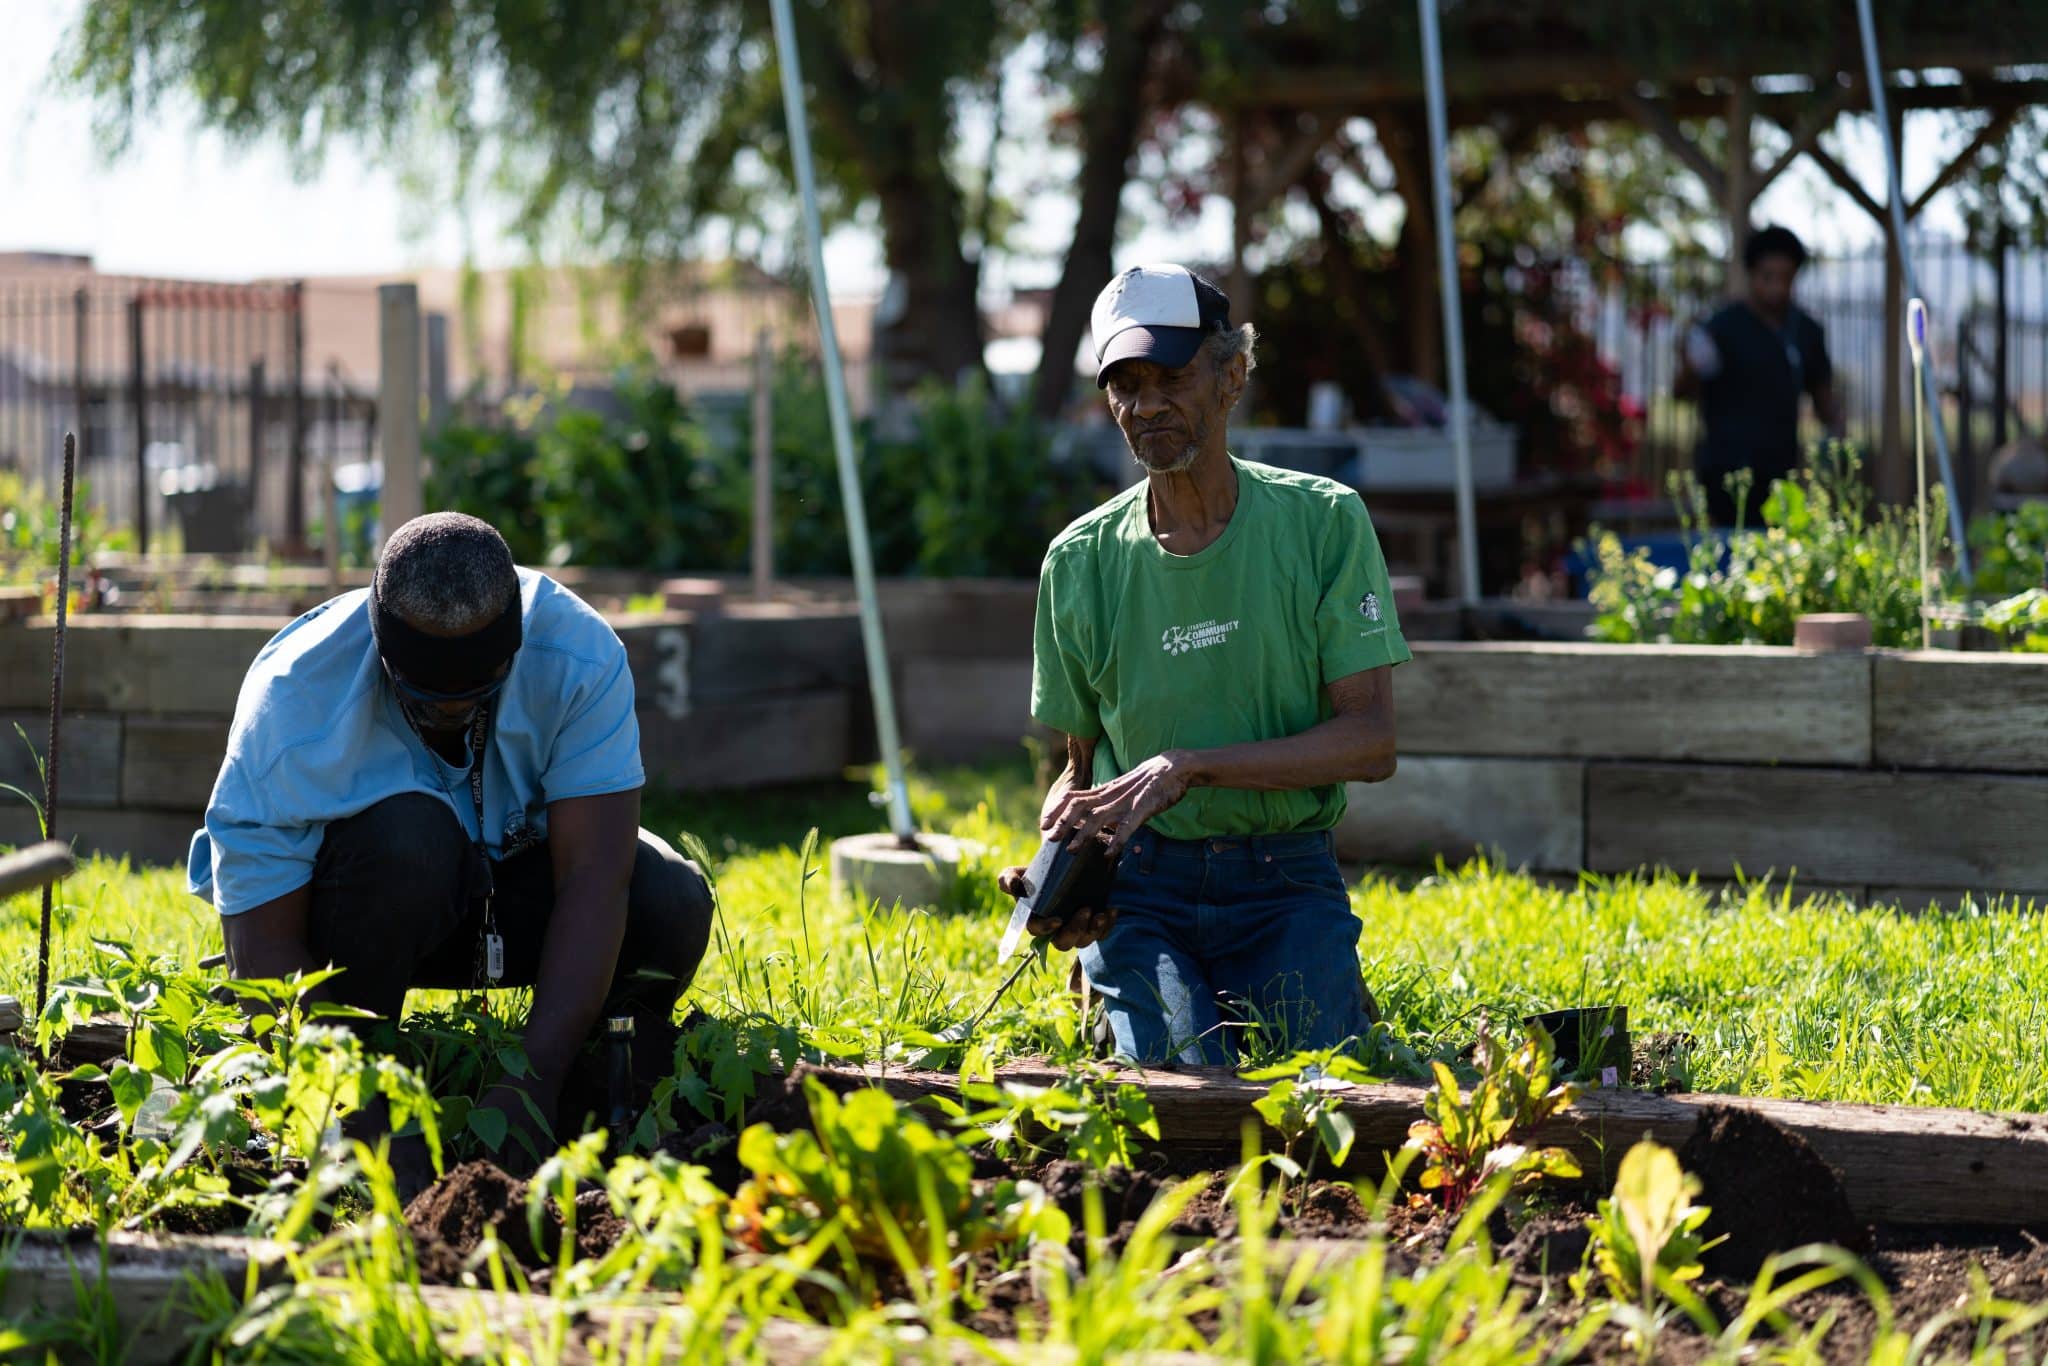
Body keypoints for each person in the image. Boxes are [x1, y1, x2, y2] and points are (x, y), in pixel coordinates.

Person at [189, 512, 713, 1183]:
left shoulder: (578, 657)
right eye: (425, 699)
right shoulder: (293, 699)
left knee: (671, 897)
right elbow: (261, 950)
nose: (451, 715)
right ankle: (370, 1060)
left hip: (516, 902)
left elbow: (594, 878)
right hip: (363, 922)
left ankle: (598, 1089)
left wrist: (536, 1077)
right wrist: (352, 1106)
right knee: (411, 840)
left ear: (512, 644)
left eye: (477, 693)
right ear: (382, 651)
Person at [999, 263, 1408, 1067]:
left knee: (1324, 1081)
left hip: (1285, 880)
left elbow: (1370, 743)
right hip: (1145, 888)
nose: (1146, 405)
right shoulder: (1078, 561)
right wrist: (1062, 868)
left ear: (1232, 377)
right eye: (1124, 383)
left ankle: (1311, 975)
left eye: (1172, 377)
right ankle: (1125, 984)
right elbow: (1080, 771)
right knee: (1182, 1081)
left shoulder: (1323, 523)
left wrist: (1191, 767)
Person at [1675, 224, 1844, 527]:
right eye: (1768, 277)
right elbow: (1682, 393)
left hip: (1779, 475)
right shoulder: (1721, 328)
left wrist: (1837, 432)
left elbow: (1823, 399)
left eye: (1786, 278)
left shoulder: (1805, 331)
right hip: (1724, 475)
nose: (1777, 287)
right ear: (1752, 275)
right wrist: (1689, 365)